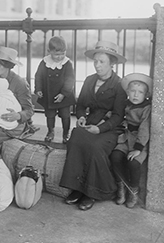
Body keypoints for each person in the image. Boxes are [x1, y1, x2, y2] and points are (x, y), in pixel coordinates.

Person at [59, 40, 127, 211]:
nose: (97, 65)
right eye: (95, 61)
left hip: (110, 128)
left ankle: (93, 192)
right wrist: (81, 117)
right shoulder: (89, 80)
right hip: (90, 123)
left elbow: (118, 116)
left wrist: (101, 129)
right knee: (75, 139)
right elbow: (80, 105)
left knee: (95, 146)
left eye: (102, 62)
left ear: (112, 63)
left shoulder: (119, 85)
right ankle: (77, 188)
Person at [110, 73, 152, 208]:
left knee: (133, 163)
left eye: (140, 92)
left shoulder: (146, 108)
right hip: (126, 139)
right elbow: (122, 117)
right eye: (133, 91)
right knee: (115, 156)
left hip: (140, 143)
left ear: (145, 95)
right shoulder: (127, 104)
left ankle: (133, 190)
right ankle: (121, 186)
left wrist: (138, 149)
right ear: (127, 92)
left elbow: (145, 128)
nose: (135, 95)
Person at [34, 36, 76, 144]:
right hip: (49, 95)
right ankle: (50, 131)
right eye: (56, 54)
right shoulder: (44, 62)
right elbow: (38, 76)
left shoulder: (67, 63)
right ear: (49, 51)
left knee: (66, 116)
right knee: (50, 115)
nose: (59, 57)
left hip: (64, 96)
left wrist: (64, 93)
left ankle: (66, 133)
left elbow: (70, 80)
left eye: (63, 54)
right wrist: (38, 89)